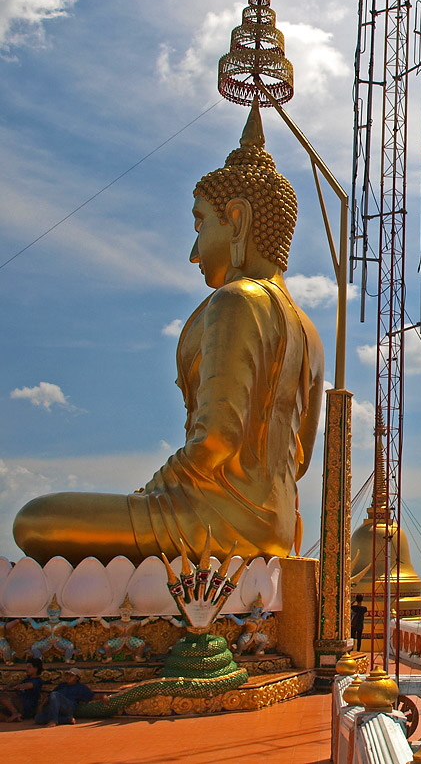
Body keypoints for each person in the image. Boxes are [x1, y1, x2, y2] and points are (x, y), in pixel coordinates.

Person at [13, 104, 324, 565]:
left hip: (213, 518)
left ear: (236, 220)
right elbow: (298, 460)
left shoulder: (238, 301)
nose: (195, 251)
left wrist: (152, 492)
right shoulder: (307, 329)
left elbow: (216, 440)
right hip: (275, 522)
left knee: (36, 519)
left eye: (202, 223)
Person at [34, 668, 104, 726]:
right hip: (57, 709)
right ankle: (66, 720)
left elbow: (92, 696)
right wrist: (41, 706)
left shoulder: (80, 687)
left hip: (69, 707)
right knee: (38, 718)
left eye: (71, 675)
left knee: (55, 694)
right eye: (67, 675)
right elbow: (50, 696)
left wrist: (102, 696)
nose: (68, 677)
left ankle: (54, 720)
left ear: (77, 678)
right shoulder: (62, 685)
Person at [0, 657, 44, 722]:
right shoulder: (26, 679)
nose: (27, 669)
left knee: (1, 695)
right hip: (17, 705)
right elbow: (15, 684)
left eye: (29, 667)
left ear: (36, 668)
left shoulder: (37, 681)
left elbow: (27, 686)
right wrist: (7, 687)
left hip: (25, 706)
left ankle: (15, 713)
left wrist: (15, 687)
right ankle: (13, 718)